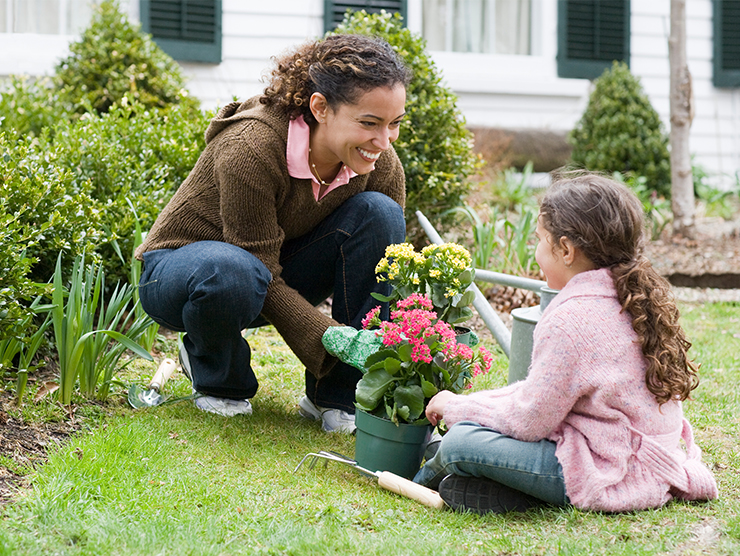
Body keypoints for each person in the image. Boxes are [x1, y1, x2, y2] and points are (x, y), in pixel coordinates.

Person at [135, 34, 410, 430]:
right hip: (183, 273)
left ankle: (336, 396)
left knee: (381, 215)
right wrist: (335, 338)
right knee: (232, 270)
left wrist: (412, 340)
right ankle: (217, 375)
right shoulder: (252, 146)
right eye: (369, 123)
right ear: (320, 108)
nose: (383, 141)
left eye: (394, 124)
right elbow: (256, 265)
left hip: (265, 268)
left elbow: (387, 269)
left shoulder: (377, 160)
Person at [414, 173, 718, 514]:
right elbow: (539, 393)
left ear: (566, 250)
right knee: (470, 443)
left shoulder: (572, 319)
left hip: (610, 469)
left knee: (459, 443)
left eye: (541, 241)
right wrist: (469, 404)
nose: (536, 252)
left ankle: (421, 477)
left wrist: (460, 410)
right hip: (629, 455)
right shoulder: (628, 294)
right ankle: (493, 490)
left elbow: (530, 421)